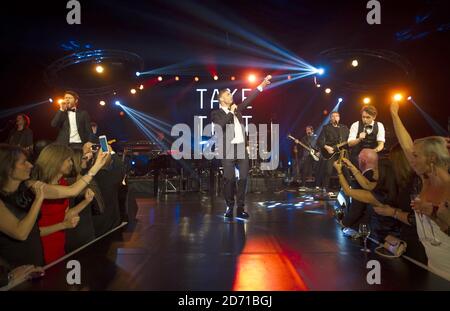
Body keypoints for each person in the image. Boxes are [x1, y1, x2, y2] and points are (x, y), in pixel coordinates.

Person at [390, 100, 450, 280]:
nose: (411, 159)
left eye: (416, 156)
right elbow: (406, 144)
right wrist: (394, 113)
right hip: (433, 267)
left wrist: (433, 212)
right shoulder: (425, 178)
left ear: (431, 158)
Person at [211, 75, 271, 219]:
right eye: (227, 94)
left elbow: (249, 99)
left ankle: (240, 208)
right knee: (229, 179)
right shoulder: (216, 113)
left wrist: (261, 85)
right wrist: (231, 112)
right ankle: (230, 206)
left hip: (241, 149)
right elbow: (220, 126)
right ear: (221, 99)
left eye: (230, 94)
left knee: (243, 178)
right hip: (227, 150)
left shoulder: (237, 110)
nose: (230, 96)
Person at [32, 144, 95, 264]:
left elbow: (65, 215)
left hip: (59, 243)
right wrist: (63, 226)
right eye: (68, 160)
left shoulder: (63, 183)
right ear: (56, 161)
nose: (72, 163)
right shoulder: (39, 186)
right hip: (42, 247)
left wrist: (86, 202)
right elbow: (33, 232)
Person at [372, 144, 427, 263]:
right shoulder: (404, 182)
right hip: (408, 239)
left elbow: (416, 219)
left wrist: (392, 212)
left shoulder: (415, 183)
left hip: (419, 243)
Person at [316, 111, 349, 191]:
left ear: (339, 118)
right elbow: (319, 141)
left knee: (345, 171)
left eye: (337, 116)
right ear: (330, 118)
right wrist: (327, 147)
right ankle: (324, 188)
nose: (335, 118)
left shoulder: (344, 128)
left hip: (342, 152)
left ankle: (347, 188)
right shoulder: (326, 127)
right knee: (328, 171)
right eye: (333, 116)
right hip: (330, 153)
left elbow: (349, 140)